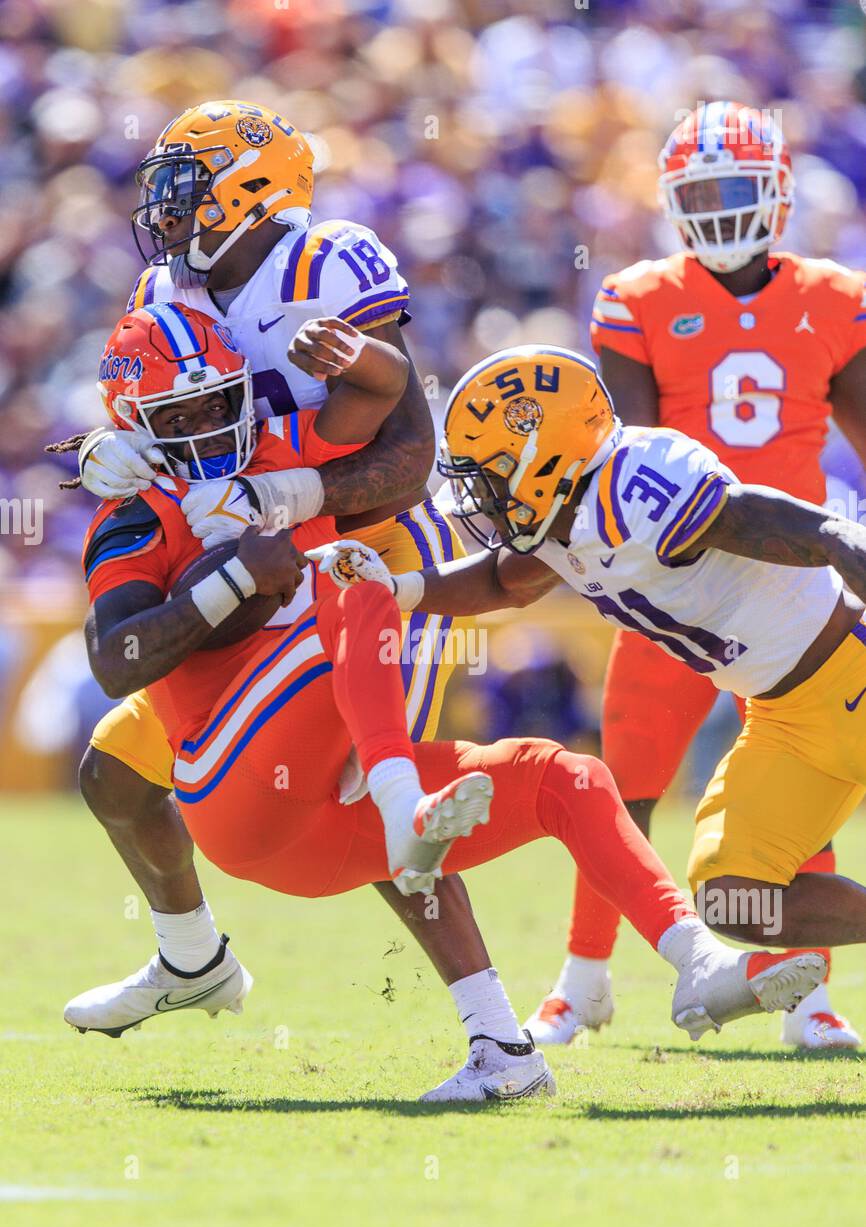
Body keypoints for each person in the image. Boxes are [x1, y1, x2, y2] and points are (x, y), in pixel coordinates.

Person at [67, 309, 824, 1104]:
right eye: (177, 418)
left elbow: (383, 395)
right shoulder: (135, 511)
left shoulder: (282, 448)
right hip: (234, 789)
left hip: (329, 806)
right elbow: (117, 662)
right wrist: (233, 578)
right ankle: (398, 812)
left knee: (567, 775)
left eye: (219, 404)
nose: (206, 428)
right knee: (348, 576)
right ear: (132, 427)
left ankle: (654, 979)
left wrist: (355, 349)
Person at [73, 99, 492, 1001]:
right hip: (252, 558)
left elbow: (410, 462)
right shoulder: (167, 293)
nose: (167, 214)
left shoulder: (330, 262)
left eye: (186, 191)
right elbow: (143, 403)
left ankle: (495, 1033)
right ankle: (193, 961)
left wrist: (286, 492)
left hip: (369, 558)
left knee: (367, 787)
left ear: (253, 191)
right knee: (115, 772)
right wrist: (96, 448)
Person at [321, 345, 866, 976]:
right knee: (734, 898)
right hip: (787, 720)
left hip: (849, 668)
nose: (484, 498)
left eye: (493, 475)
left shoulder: (638, 485)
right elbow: (503, 582)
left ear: (543, 457)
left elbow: (790, 526)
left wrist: (838, 538)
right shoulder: (565, 516)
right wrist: (397, 590)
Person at [528, 102, 866, 1047]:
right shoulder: (637, 295)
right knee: (621, 788)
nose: (718, 211)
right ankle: (582, 979)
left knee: (800, 778)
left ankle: (809, 997)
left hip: (794, 582)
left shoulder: (836, 296)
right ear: (673, 200)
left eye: (736, 191)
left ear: (779, 195)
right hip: (677, 580)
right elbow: (621, 449)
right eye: (701, 194)